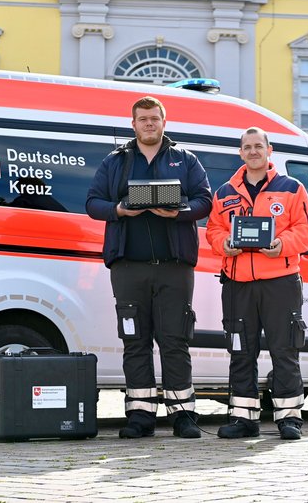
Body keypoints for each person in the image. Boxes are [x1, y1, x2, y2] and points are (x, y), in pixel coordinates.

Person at [86, 96, 213, 439]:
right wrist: (120, 210)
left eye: (154, 119)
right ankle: (140, 416)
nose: (149, 124)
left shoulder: (184, 160)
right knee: (135, 340)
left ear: (163, 122)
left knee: (175, 340)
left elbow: (205, 200)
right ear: (134, 124)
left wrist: (179, 211)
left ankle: (183, 414)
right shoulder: (115, 162)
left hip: (174, 267)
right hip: (128, 267)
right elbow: (92, 203)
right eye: (142, 119)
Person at [205, 127, 308, 440]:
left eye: (259, 146)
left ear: (270, 151)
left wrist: (281, 244)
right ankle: (244, 419)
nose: (253, 151)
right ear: (240, 153)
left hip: (280, 282)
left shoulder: (291, 188)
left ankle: (289, 419)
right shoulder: (225, 192)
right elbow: (213, 230)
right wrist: (224, 243)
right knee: (241, 350)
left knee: (285, 349)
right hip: (237, 282)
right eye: (247, 147)